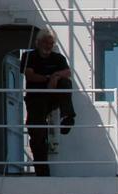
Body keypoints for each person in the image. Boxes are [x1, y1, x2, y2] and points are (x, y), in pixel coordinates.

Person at [20, 28, 76, 176]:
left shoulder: (58, 58)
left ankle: (67, 117)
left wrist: (55, 76)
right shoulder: (29, 56)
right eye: (45, 42)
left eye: (51, 43)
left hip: (52, 97)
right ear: (38, 43)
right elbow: (30, 76)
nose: (48, 46)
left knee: (65, 83)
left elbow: (68, 73)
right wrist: (48, 79)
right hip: (35, 99)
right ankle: (42, 172)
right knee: (37, 134)